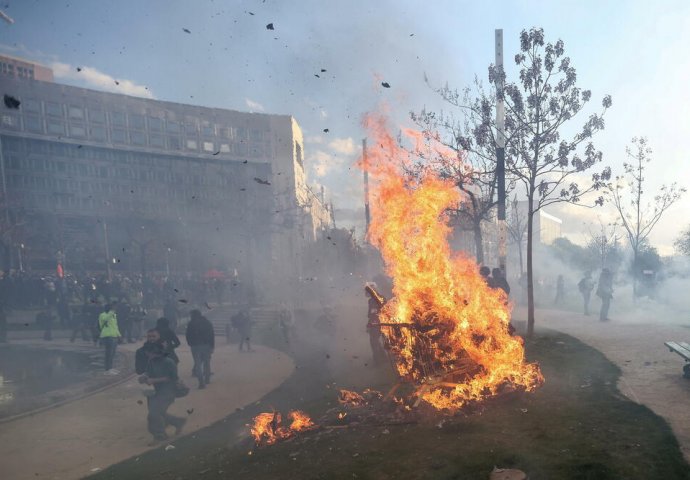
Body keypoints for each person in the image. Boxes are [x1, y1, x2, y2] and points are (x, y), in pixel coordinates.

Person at [138, 342, 186, 445]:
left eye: (148, 352)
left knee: (154, 414)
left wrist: (153, 380)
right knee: (159, 413)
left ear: (154, 352)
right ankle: (178, 422)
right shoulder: (152, 361)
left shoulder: (169, 362)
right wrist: (144, 376)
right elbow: (148, 372)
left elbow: (172, 378)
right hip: (157, 391)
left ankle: (160, 436)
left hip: (169, 391)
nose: (146, 354)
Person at [185, 309, 215, 389]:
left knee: (198, 364)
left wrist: (190, 343)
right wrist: (212, 346)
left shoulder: (191, 323)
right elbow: (212, 335)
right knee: (207, 362)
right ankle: (207, 379)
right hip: (206, 345)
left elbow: (187, 335)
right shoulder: (207, 323)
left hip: (195, 346)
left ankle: (201, 382)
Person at [365, 283, 386, 366]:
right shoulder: (371, 300)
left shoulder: (379, 299)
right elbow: (371, 314)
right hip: (375, 324)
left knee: (374, 342)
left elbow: (377, 313)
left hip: (380, 324)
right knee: (375, 342)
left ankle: (378, 361)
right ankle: (382, 358)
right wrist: (368, 324)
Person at [99, 304, 121, 374]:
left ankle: (111, 368)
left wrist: (119, 335)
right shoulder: (102, 315)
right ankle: (107, 369)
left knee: (113, 353)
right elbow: (106, 319)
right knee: (108, 353)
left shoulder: (114, 315)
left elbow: (115, 326)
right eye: (112, 308)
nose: (114, 310)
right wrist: (111, 312)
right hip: (107, 336)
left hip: (114, 336)